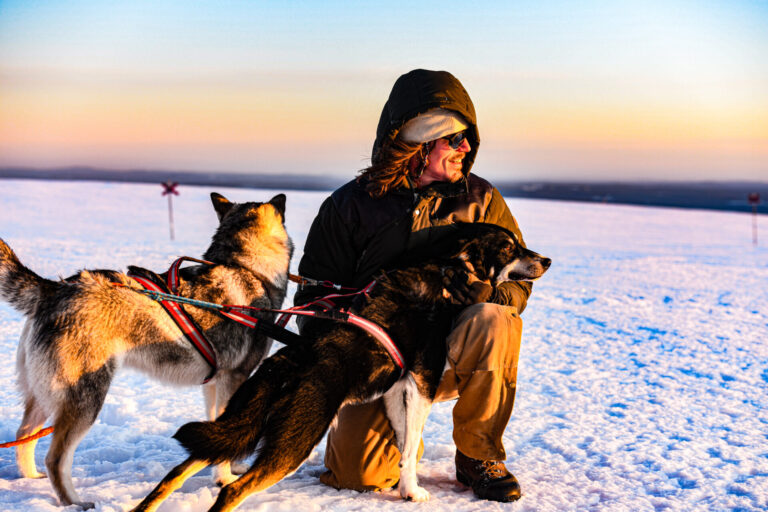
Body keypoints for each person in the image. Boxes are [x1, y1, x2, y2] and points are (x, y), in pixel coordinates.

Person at [294, 69, 532, 503]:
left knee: (494, 319)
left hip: (450, 352)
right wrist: (343, 334)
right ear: (417, 143)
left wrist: (487, 294)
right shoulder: (350, 206)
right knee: (358, 476)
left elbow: (517, 285)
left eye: (467, 138)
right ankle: (395, 430)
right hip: (376, 359)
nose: (464, 148)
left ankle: (477, 454)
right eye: (451, 139)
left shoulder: (482, 201)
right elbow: (312, 294)